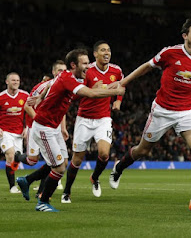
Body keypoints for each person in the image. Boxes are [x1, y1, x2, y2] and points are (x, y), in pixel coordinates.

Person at [109, 18, 191, 212]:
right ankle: (119, 167)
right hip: (162, 111)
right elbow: (146, 66)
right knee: (142, 151)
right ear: (185, 36)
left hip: (186, 112)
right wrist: (123, 82)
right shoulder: (169, 53)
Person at [18, 49, 125, 212]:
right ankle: (42, 202)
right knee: (59, 168)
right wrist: (115, 92)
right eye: (84, 63)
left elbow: (56, 88)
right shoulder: (68, 78)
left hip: (52, 128)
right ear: (73, 65)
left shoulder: (69, 79)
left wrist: (41, 97)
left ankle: (27, 180)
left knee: (63, 163)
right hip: (44, 128)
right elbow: (89, 93)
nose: (88, 67)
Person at [61, 40, 124, 203]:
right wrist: (93, 89)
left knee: (104, 154)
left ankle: (94, 178)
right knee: (77, 159)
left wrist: (118, 100)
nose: (107, 53)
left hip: (103, 118)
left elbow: (121, 85)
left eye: (109, 50)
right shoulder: (87, 71)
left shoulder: (116, 70)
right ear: (95, 54)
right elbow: (74, 95)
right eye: (103, 50)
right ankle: (66, 192)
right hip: (84, 119)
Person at [16, 61, 67, 200]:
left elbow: (62, 109)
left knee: (58, 162)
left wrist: (63, 128)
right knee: (34, 161)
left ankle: (38, 190)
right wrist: (39, 120)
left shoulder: (64, 87)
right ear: (53, 72)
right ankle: (18, 158)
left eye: (64, 70)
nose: (62, 73)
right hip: (37, 127)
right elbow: (27, 106)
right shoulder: (43, 86)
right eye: (59, 70)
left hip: (53, 128)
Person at [0, 72, 29, 193]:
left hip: (19, 133)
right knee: (10, 155)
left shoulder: (25, 95)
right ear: (7, 82)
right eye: (13, 80)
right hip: (4, 132)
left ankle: (13, 180)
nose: (16, 82)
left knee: (16, 159)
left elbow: (29, 113)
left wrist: (26, 127)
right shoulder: (1, 97)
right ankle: (12, 186)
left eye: (17, 80)